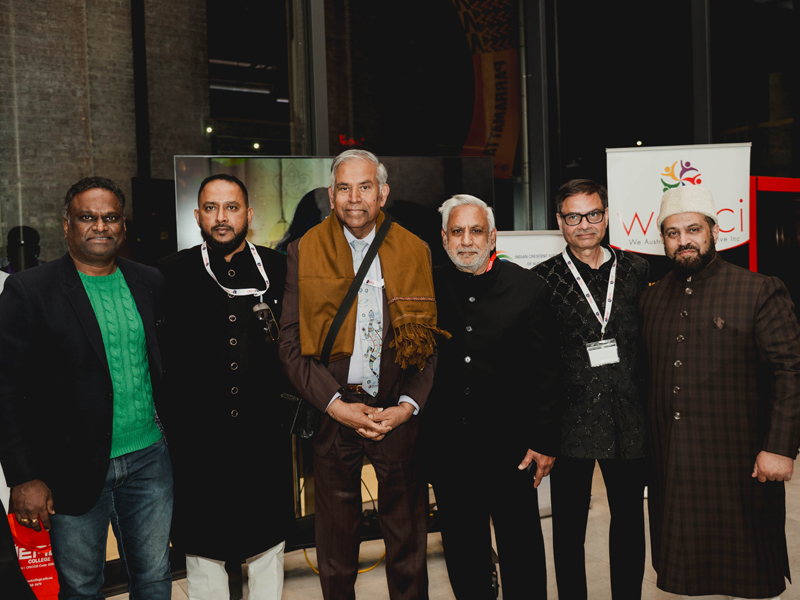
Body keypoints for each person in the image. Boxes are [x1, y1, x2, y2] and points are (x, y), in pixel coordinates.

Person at [278, 149, 444, 600]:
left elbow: (428, 343)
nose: (354, 198)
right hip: (333, 409)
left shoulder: (414, 249)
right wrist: (336, 405)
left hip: (395, 412)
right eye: (344, 188)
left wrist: (407, 407)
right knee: (335, 547)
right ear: (332, 196)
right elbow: (290, 345)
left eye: (365, 187)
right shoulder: (303, 250)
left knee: (408, 541)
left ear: (382, 193)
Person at [0, 177, 172, 599]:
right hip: (68, 468)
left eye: (110, 217)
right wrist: (23, 477)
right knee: (80, 587)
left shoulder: (150, 280)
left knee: (154, 578)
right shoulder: (29, 290)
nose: (100, 226)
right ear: (66, 225)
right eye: (87, 217)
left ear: (123, 227)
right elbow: (6, 389)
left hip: (149, 460)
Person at [639, 185, 800, 600]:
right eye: (672, 233)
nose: (683, 240)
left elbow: (790, 370)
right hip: (674, 462)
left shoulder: (759, 289)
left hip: (740, 460)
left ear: (714, 231)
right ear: (663, 240)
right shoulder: (651, 298)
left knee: (747, 567)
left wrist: (780, 447)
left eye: (693, 229)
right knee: (684, 569)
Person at [159, 173, 292, 599]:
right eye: (211, 208)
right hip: (198, 442)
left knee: (268, 543)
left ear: (248, 215)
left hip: (264, 436)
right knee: (203, 548)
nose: (221, 217)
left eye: (231, 208)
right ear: (197, 215)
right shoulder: (170, 273)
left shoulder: (278, 268)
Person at [426, 194, 558, 599]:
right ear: (444, 238)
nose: (467, 240)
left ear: (493, 236)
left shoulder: (529, 289)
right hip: (449, 450)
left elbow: (547, 372)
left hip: (511, 451)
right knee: (463, 551)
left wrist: (545, 440)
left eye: (476, 230)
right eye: (457, 231)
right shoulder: (426, 287)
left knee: (522, 550)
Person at [532, 179, 650, 599]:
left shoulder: (637, 270)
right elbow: (537, 360)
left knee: (630, 523)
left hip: (629, 420)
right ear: (559, 221)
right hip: (570, 423)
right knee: (568, 530)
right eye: (573, 216)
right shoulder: (541, 280)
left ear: (606, 215)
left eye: (593, 214)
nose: (584, 224)